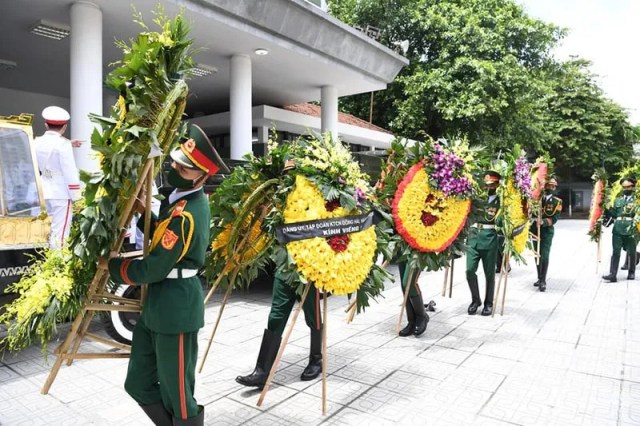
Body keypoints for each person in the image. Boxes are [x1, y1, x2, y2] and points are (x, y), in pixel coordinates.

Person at [100, 124, 228, 426]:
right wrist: (147, 213)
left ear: (201, 175)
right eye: (175, 161)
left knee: (179, 396)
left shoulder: (187, 214)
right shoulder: (181, 201)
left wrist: (113, 266)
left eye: (183, 169)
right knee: (138, 383)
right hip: (158, 306)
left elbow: (154, 266)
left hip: (176, 310)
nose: (174, 167)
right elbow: (164, 234)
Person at [235, 271, 324, 389]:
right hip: (284, 270)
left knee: (313, 317)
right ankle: (262, 372)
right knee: (276, 316)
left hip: (309, 272)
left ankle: (316, 360)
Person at [33, 106, 82, 249]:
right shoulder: (63, 144)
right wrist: (77, 197)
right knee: (60, 234)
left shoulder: (36, 141)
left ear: (46, 125)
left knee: (45, 231)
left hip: (43, 190)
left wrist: (68, 143)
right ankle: (57, 265)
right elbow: (70, 172)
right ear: (65, 127)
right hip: (61, 193)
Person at [466, 170, 501, 316]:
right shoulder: (477, 198)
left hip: (489, 239)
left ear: (497, 184)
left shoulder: (501, 201)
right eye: (486, 184)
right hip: (473, 238)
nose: (488, 187)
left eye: (491, 184)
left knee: (489, 274)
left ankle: (488, 303)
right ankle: (476, 300)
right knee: (469, 271)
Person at [603, 177, 638, 283]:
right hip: (618, 229)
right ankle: (612, 274)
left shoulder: (637, 200)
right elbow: (614, 215)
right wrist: (606, 209)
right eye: (624, 187)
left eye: (628, 187)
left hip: (631, 229)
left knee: (631, 251)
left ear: (633, 187)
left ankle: (631, 272)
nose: (626, 189)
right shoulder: (618, 200)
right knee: (615, 252)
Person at [530, 177, 562, 292]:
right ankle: (539, 277)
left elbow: (554, 218)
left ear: (554, 188)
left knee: (544, 255)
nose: (549, 188)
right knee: (537, 255)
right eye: (547, 185)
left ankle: (543, 280)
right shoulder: (536, 199)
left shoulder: (557, 202)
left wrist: (543, 222)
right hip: (535, 230)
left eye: (552, 186)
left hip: (547, 231)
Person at [397, 262, 429, 337]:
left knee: (409, 282)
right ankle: (412, 321)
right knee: (404, 285)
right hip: (400, 250)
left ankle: (422, 316)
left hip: (416, 251)